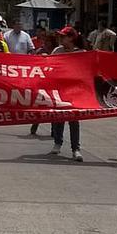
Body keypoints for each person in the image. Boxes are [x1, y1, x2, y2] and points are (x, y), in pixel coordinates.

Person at [50, 26, 84, 161]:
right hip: (60, 89)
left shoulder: (82, 53)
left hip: (75, 91)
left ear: (71, 38)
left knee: (74, 119)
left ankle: (76, 149)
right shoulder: (57, 51)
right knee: (59, 117)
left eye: (63, 36)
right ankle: (58, 143)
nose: (61, 38)